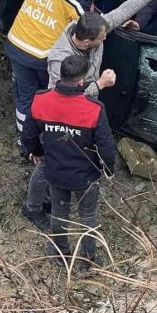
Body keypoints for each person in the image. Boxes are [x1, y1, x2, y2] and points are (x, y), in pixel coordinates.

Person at [23, 0, 157, 227]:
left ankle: (47, 200)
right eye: (102, 38)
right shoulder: (60, 58)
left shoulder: (90, 30)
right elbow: (61, 94)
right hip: (60, 114)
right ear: (87, 41)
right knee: (45, 164)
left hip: (81, 109)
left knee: (59, 163)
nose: (105, 37)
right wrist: (99, 84)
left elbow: (118, 13)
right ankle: (34, 208)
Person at [20, 54, 115, 268]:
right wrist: (108, 169)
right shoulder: (94, 109)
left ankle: (61, 252)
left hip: (55, 172)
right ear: (82, 81)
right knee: (88, 216)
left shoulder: (41, 100)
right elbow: (106, 145)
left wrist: (35, 151)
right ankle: (86, 259)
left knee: (59, 213)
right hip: (85, 175)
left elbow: (28, 135)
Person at [5, 0, 102, 143]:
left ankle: (25, 142)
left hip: (18, 43)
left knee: (24, 96)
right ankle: (40, 139)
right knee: (44, 98)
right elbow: (81, 28)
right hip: (45, 57)